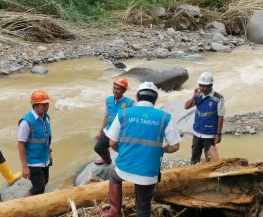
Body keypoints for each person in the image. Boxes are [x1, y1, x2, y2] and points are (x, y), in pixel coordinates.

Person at [101, 82, 181, 217]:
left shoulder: (123, 113)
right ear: (155, 100)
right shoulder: (164, 117)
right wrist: (162, 150)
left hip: (124, 168)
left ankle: (114, 210)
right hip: (148, 173)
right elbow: (174, 147)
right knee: (143, 206)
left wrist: (123, 151)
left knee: (114, 176)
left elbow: (112, 142)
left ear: (137, 98)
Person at [184, 72, 225, 164]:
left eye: (205, 86)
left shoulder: (218, 98)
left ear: (211, 85)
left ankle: (211, 175)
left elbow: (220, 116)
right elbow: (186, 106)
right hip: (197, 132)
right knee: (195, 155)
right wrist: (194, 96)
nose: (202, 88)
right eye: (200, 85)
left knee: (210, 157)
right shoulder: (198, 95)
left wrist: (218, 134)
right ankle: (193, 172)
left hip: (209, 134)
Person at [17, 90, 53, 195]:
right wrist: (24, 167)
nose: (47, 107)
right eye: (44, 105)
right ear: (35, 106)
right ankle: (29, 203)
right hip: (33, 162)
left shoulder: (46, 118)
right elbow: (21, 144)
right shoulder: (26, 122)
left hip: (44, 159)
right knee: (39, 187)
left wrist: (49, 153)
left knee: (44, 182)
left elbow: (46, 137)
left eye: (47, 104)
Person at [94, 77, 135, 165]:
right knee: (98, 148)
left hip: (121, 132)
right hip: (108, 130)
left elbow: (133, 120)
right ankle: (107, 161)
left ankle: (127, 162)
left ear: (124, 91)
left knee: (123, 150)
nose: (115, 91)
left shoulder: (130, 103)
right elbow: (106, 116)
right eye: (114, 88)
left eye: (118, 89)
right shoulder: (108, 100)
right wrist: (100, 132)